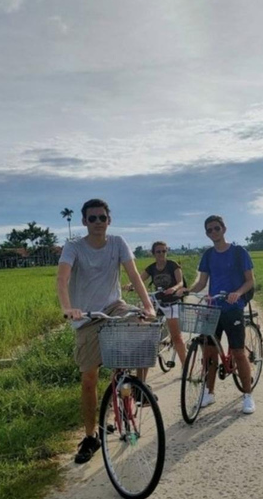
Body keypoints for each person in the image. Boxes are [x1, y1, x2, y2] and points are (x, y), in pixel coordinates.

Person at [56, 198, 155, 465]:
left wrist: (147, 306)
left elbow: (134, 275)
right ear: (84, 222)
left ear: (109, 220)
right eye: (92, 218)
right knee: (89, 378)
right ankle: (91, 437)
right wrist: (69, 308)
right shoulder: (74, 247)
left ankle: (133, 385)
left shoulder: (118, 243)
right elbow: (62, 279)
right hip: (87, 317)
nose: (98, 222)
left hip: (113, 307)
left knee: (142, 323)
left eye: (102, 217)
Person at [184, 215, 257, 415]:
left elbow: (250, 280)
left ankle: (248, 395)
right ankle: (209, 391)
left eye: (216, 228)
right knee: (209, 352)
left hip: (233, 307)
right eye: (209, 230)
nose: (213, 232)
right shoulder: (208, 255)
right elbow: (201, 283)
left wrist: (238, 293)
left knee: (239, 353)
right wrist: (186, 291)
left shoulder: (238, 252)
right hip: (213, 308)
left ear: (224, 228)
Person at [129, 241, 188, 366]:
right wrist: (131, 286)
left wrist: (174, 288)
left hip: (172, 302)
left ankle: (186, 367)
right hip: (157, 302)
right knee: (146, 326)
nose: (161, 254)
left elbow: (180, 282)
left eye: (164, 251)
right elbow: (139, 279)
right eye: (158, 251)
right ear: (153, 253)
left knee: (177, 337)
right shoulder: (151, 268)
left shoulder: (173, 265)